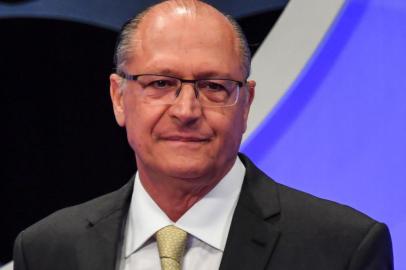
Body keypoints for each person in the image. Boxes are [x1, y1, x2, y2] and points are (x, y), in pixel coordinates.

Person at [13, 0, 393, 269]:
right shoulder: (48, 250)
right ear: (118, 98)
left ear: (246, 103)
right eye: (161, 83)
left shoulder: (342, 249)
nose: (187, 111)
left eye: (214, 86)